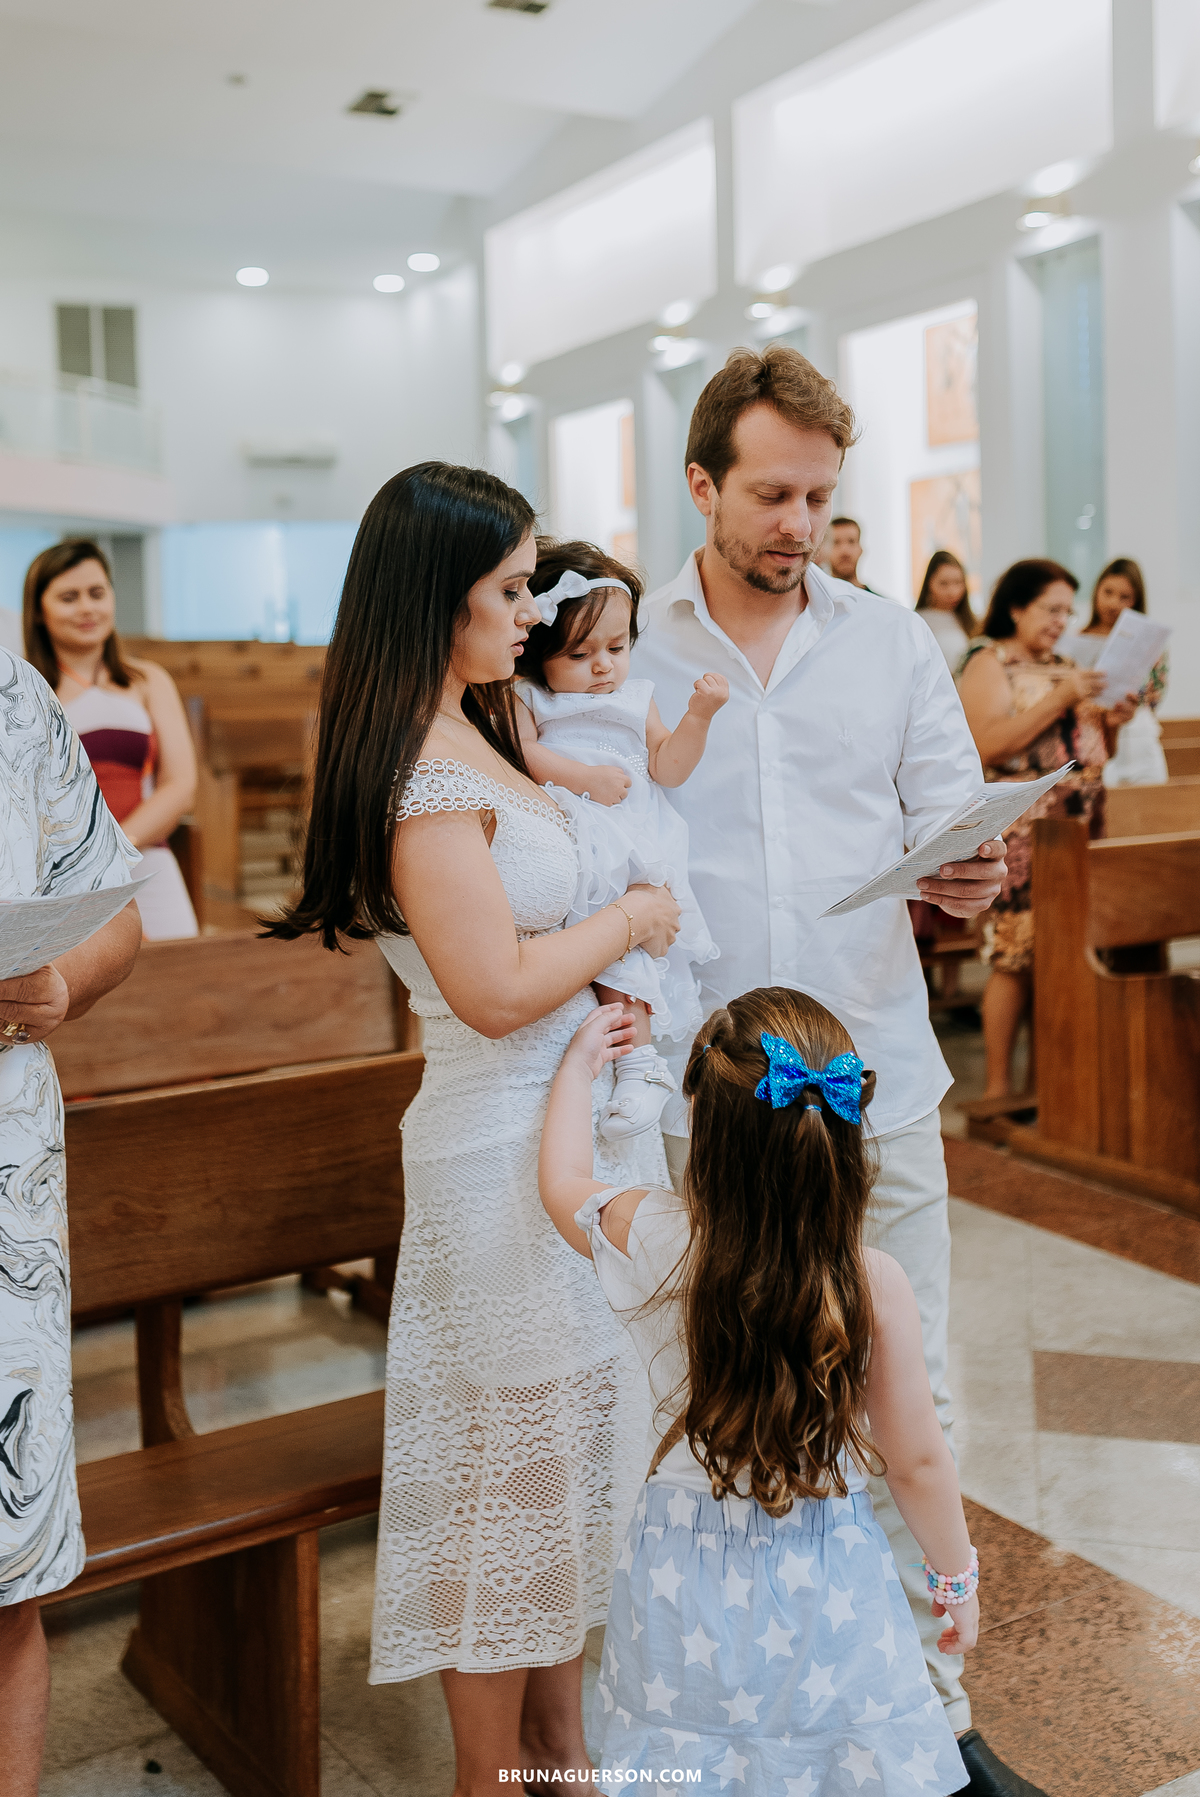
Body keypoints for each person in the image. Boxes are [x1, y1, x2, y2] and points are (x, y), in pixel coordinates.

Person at [633, 345, 1042, 1797]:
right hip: (708, 1108)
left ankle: (924, 1716)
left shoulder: (887, 643)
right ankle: (751, 1725)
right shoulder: (631, 647)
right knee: (714, 1419)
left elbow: (947, 823)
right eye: (772, 492)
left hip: (873, 1080)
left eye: (820, 494)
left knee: (904, 1397)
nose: (801, 521)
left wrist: (976, 871)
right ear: (703, 485)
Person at [268, 463, 682, 1792]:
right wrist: (628, 925)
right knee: (507, 1485)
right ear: (437, 598)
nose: (534, 606)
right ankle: (489, 1777)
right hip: (498, 1147)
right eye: (510, 587)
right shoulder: (419, 770)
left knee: (565, 1459)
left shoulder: (487, 728)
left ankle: (560, 1750)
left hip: (571, 1129)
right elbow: (494, 991)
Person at [537, 989, 978, 1794]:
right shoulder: (870, 1281)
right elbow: (918, 1460)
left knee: (693, 1763)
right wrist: (956, 1580)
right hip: (830, 1587)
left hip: (681, 1579)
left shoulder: (651, 1236)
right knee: (835, 1763)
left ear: (705, 1131)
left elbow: (562, 1178)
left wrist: (577, 1068)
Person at [0, 646, 142, 1797]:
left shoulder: (16, 696)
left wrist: (63, 983)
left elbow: (116, 916)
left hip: (9, 1205)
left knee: (9, 1578)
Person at [514, 538, 726, 1139]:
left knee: (630, 952)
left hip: (635, 843)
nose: (604, 666)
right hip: (576, 836)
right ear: (539, 651)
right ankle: (632, 1063)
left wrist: (699, 717)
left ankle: (640, 1063)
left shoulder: (637, 700)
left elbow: (668, 768)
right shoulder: (531, 699)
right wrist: (581, 778)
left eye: (617, 646)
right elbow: (525, 756)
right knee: (595, 952)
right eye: (580, 654)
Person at [957, 560, 1137, 1100]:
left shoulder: (1066, 665)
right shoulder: (990, 661)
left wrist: (1113, 723)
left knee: (1061, 958)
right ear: (1017, 607)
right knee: (1014, 958)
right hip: (1021, 835)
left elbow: (1086, 751)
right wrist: (1061, 698)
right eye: (1051, 609)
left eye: (1067, 611)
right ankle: (995, 1091)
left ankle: (1044, 1087)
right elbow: (987, 744)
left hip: (1078, 826)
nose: (1062, 621)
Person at [23, 539, 199, 941]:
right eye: (70, 597)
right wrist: (82, 862)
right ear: (38, 611)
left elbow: (181, 785)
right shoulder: (22, 692)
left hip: (144, 856)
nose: (88, 608)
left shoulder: (147, 680)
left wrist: (120, 849)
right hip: (61, 874)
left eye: (97, 593)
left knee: (183, 983)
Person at [1062, 557, 1169, 787]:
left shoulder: (1150, 645)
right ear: (1096, 592)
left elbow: (1155, 695)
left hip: (1139, 733)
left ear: (1136, 601)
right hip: (1094, 735)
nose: (1113, 603)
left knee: (1152, 807)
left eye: (1124, 597)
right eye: (1107, 592)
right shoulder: (1076, 640)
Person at [916, 551, 977, 670]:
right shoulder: (919, 621)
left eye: (958, 583)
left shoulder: (971, 621)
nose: (952, 592)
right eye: (944, 584)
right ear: (929, 583)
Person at [824, 515, 891, 597]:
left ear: (861, 549)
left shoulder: (881, 605)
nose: (845, 551)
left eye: (851, 541)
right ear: (824, 551)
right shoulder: (814, 603)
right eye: (836, 542)